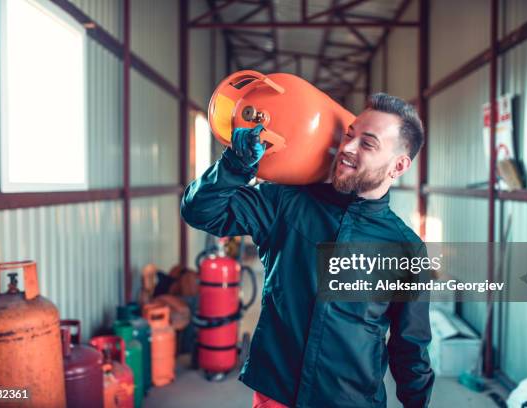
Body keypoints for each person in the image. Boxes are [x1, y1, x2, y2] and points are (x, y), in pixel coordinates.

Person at [181, 93, 434, 408]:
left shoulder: (405, 248)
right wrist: (234, 165)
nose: (347, 148)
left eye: (367, 144)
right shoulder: (287, 202)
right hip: (277, 395)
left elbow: (410, 347)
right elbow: (201, 211)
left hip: (350, 401)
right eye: (349, 135)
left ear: (398, 165)